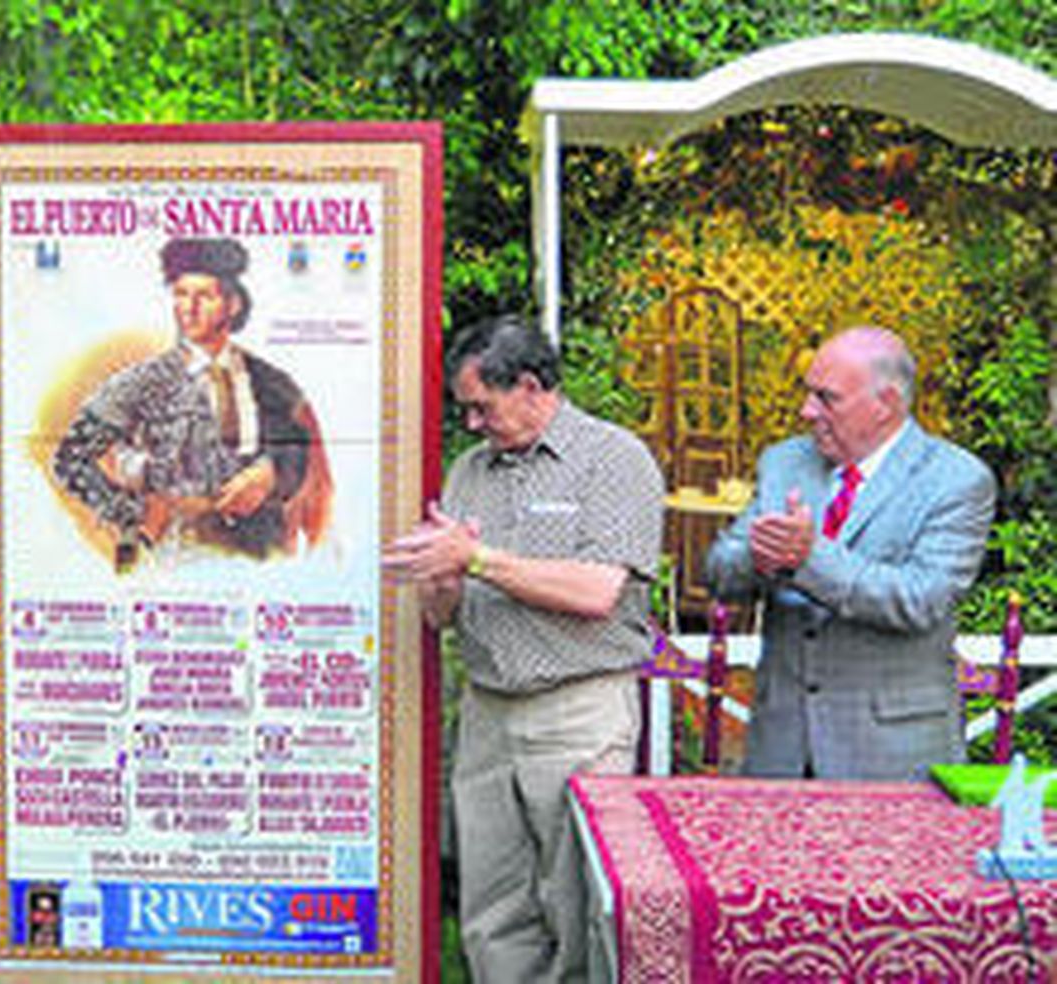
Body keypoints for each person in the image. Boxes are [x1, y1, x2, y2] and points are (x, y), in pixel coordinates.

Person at [383, 314, 664, 984]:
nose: (473, 425)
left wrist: (475, 559)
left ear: (533, 387)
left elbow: (599, 590)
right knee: (491, 905)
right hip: (487, 711)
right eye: (466, 411)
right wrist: (443, 583)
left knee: (577, 902)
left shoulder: (614, 459)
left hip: (578, 709)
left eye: (483, 407)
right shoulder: (469, 471)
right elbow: (441, 613)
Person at [706, 326, 996, 780]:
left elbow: (921, 601)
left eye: (827, 399)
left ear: (886, 404)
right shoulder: (784, 462)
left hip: (892, 754)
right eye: (808, 395)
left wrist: (808, 558)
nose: (807, 411)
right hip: (780, 750)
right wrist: (760, 560)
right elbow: (722, 570)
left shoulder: (957, 480)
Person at [53, 237, 330, 566]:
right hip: (174, 558)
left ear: (233, 304)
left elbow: (298, 450)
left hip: (261, 554)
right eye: (181, 294)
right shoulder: (140, 383)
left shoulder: (272, 383)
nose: (189, 307)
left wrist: (271, 473)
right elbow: (70, 459)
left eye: (205, 296)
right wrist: (134, 513)